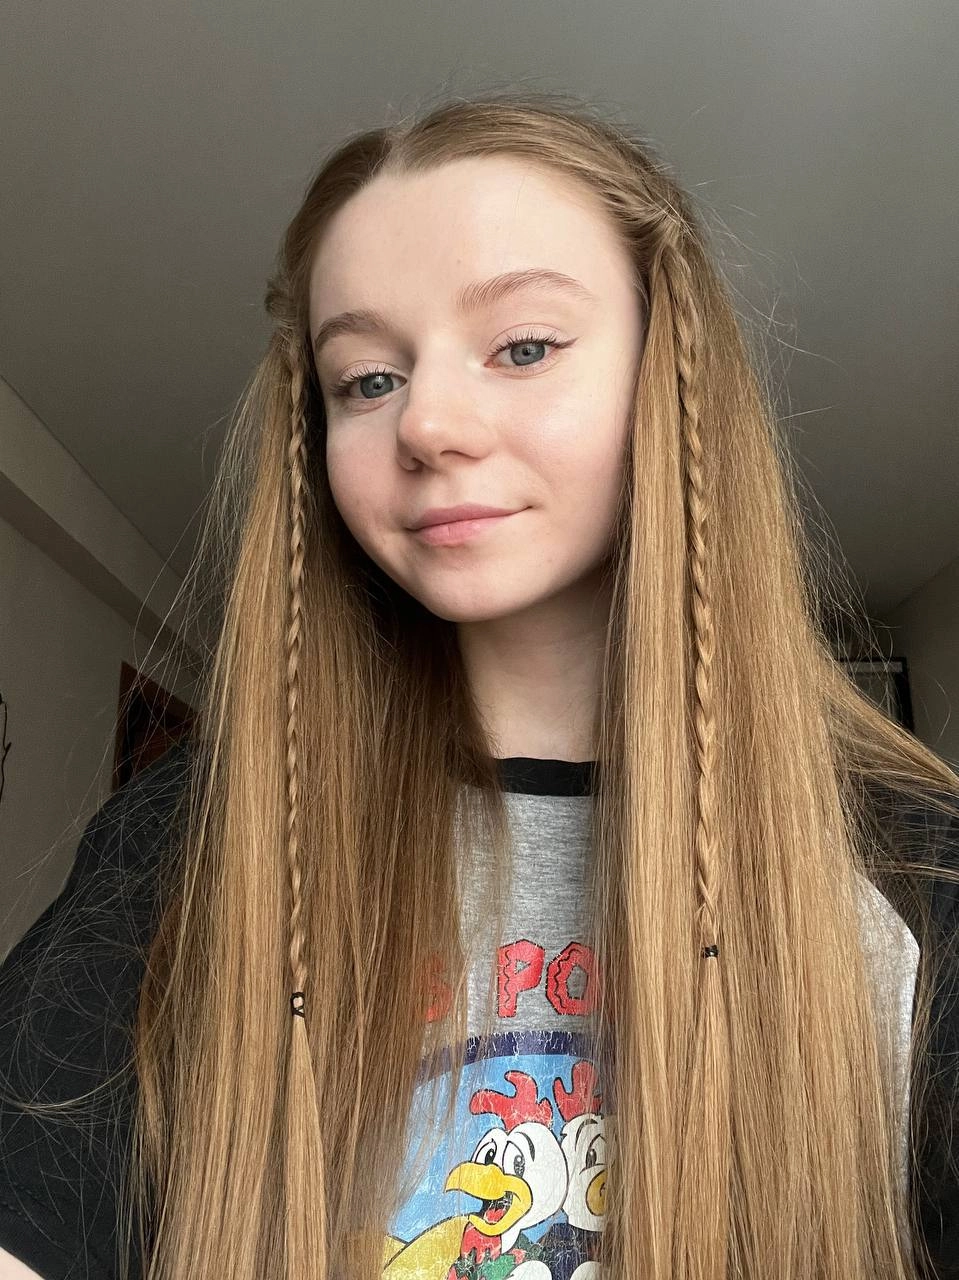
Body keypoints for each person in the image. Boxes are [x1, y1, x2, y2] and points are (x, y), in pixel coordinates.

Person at [1, 88, 959, 1280]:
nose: (428, 423)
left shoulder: (908, 862)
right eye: (366, 379)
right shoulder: (197, 839)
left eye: (522, 346)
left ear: (670, 376)